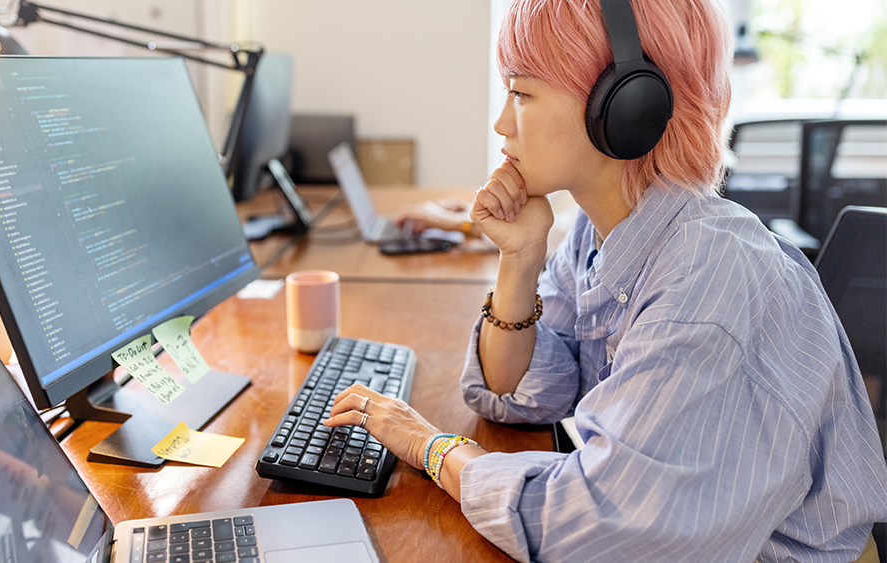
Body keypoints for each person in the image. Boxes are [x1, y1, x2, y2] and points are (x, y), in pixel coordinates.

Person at [325, 0, 887, 561]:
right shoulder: (601, 232)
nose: (501, 124)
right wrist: (520, 258)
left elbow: (594, 526)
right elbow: (518, 394)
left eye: (521, 93)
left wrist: (433, 447)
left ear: (625, 106)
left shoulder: (707, 279)